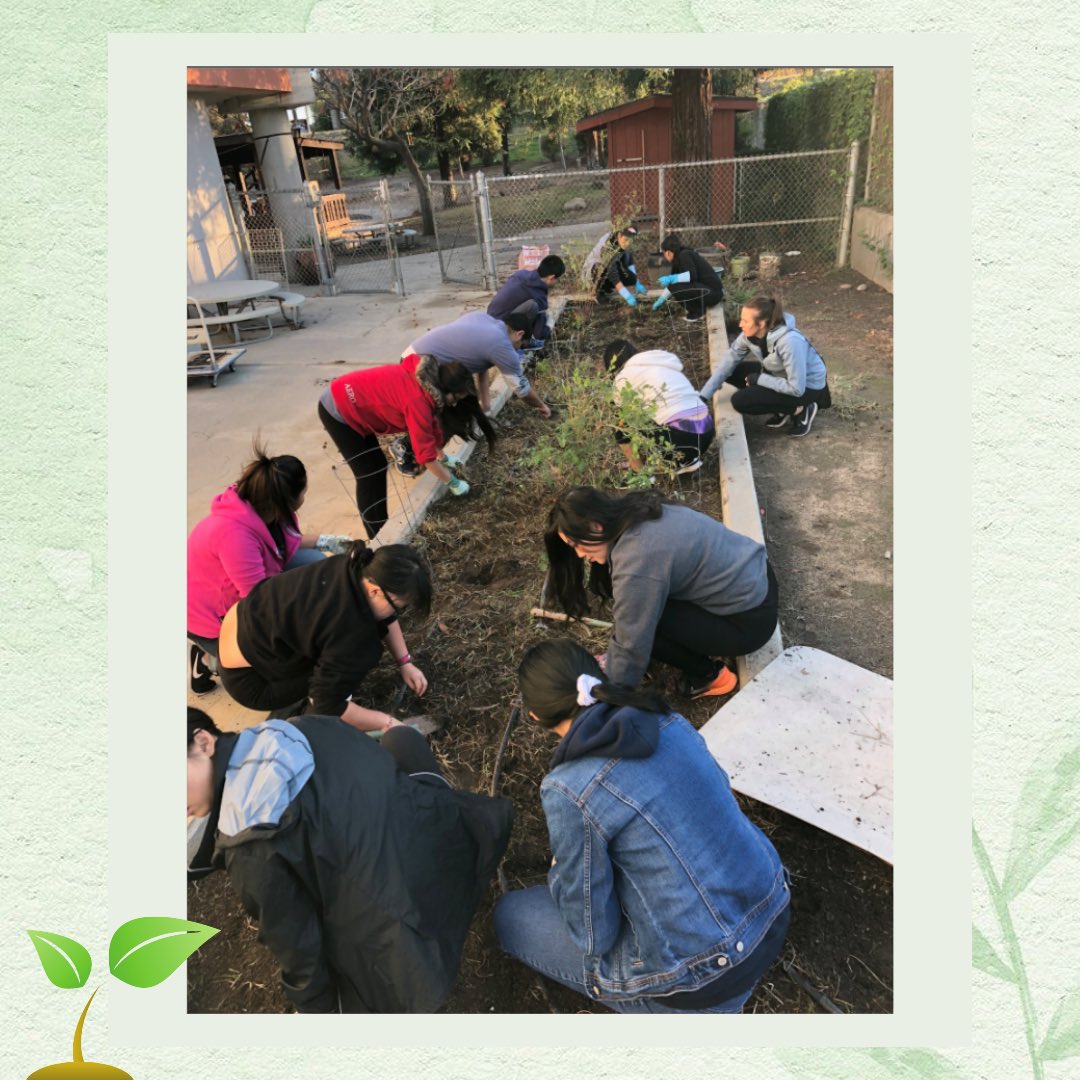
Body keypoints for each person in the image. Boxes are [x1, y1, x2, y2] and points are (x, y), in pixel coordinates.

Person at [492, 639, 790, 1013]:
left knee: (512, 916)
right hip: (769, 913)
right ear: (598, 676)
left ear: (535, 716)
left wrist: (560, 874)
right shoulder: (667, 720)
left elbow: (592, 934)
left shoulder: (570, 789)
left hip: (702, 980)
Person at [187, 707, 513, 1013]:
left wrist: (319, 1011)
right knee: (401, 738)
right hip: (454, 846)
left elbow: (300, 952)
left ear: (204, 742)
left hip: (414, 940)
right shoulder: (303, 727)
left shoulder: (249, 846)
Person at [544, 487, 778, 697]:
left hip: (750, 622)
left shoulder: (636, 558)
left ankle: (711, 676)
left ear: (595, 525)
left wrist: (610, 695)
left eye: (576, 545)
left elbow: (632, 640)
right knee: (641, 610)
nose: (579, 555)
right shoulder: (639, 510)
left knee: (646, 624)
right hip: (759, 577)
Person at [186, 444, 352, 695]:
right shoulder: (234, 536)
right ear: (288, 500)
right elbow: (260, 603)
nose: (305, 498)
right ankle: (211, 655)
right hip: (209, 614)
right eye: (303, 492)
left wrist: (326, 541)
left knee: (317, 563)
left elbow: (284, 543)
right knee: (273, 668)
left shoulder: (262, 506)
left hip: (238, 587)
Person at [215, 542, 433, 733]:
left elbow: (385, 616)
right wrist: (388, 722)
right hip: (253, 681)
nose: (398, 614)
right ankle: (309, 726)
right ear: (375, 591)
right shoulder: (351, 635)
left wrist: (405, 662)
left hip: (239, 630)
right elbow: (328, 704)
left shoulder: (351, 566)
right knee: (335, 683)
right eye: (399, 607)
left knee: (344, 652)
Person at [317, 353, 496, 540]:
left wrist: (443, 457)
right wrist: (453, 482)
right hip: (339, 410)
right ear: (447, 390)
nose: (455, 403)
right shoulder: (417, 402)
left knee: (378, 465)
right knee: (369, 475)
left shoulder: (427, 382)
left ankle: (381, 527)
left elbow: (431, 427)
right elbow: (424, 456)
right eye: (456, 398)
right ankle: (378, 539)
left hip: (354, 401)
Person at [698, 295, 831, 438]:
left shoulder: (790, 342)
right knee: (732, 371)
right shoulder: (748, 336)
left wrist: (759, 379)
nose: (740, 325)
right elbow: (727, 364)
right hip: (779, 375)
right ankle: (782, 407)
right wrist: (703, 397)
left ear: (761, 324)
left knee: (740, 401)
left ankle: (800, 408)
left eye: (745, 321)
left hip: (806, 387)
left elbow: (796, 388)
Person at [406, 310, 552, 419]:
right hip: (420, 366)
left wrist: (486, 406)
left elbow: (481, 368)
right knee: (434, 410)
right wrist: (541, 405)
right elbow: (521, 389)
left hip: (411, 353)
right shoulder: (502, 346)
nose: (518, 349)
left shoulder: (484, 320)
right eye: (521, 345)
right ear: (519, 334)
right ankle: (407, 447)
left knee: (454, 405)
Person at [603, 338, 715, 475]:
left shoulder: (623, 378)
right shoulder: (661, 363)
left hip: (681, 439)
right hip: (707, 433)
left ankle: (640, 474)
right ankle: (688, 461)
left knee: (620, 420)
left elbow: (623, 423)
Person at [487, 254, 566, 345]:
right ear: (551, 277)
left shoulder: (521, 274)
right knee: (533, 307)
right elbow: (540, 335)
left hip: (489, 321)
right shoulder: (538, 296)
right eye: (558, 280)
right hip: (499, 335)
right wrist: (551, 321)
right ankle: (521, 342)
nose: (557, 283)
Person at [652, 233, 724, 322]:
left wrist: (672, 278)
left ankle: (697, 313)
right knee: (674, 287)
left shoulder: (684, 255)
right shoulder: (678, 260)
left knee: (675, 287)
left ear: (668, 252)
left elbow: (692, 276)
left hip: (713, 293)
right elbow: (674, 283)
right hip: (708, 292)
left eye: (664, 253)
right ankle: (697, 310)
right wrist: (661, 298)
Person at [592, 225, 648, 308]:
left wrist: (636, 282)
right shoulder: (607, 246)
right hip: (593, 274)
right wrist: (626, 295)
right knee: (600, 268)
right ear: (619, 236)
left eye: (630, 241)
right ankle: (599, 292)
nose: (628, 243)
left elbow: (629, 262)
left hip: (609, 271)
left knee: (631, 278)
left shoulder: (624, 242)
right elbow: (612, 273)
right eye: (626, 240)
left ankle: (607, 287)